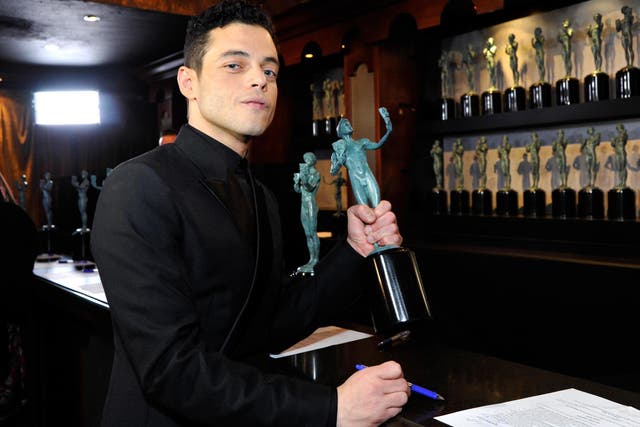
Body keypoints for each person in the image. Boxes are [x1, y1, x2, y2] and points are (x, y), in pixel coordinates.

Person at [90, 2, 407, 426]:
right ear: (189, 82)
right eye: (235, 65)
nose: (260, 79)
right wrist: (333, 408)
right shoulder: (139, 186)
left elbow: (270, 323)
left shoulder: (260, 195)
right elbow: (172, 370)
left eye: (270, 70)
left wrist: (354, 251)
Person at [329, 106, 392, 208]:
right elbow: (333, 171)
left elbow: (378, 144)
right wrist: (340, 162)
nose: (348, 124)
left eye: (349, 123)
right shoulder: (338, 150)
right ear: (340, 131)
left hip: (367, 175)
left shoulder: (362, 142)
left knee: (378, 207)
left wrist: (388, 131)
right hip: (355, 179)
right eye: (345, 124)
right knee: (365, 210)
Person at [293, 152, 320, 274]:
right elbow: (298, 190)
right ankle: (311, 258)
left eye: (308, 158)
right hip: (303, 204)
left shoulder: (315, 174)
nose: (306, 160)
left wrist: (303, 178)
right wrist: (296, 181)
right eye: (305, 158)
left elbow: (309, 188)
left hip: (311, 204)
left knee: (313, 232)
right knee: (308, 233)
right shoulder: (305, 173)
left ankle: (316, 259)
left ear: (313, 160)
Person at [611, 123, 629, 188]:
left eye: (620, 128)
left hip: (621, 152)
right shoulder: (617, 137)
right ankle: (621, 182)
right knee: (619, 168)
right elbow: (613, 145)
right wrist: (612, 140)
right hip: (617, 153)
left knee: (623, 168)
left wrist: (623, 133)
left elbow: (624, 140)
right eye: (618, 129)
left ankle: (624, 183)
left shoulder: (624, 134)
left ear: (622, 128)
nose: (619, 130)